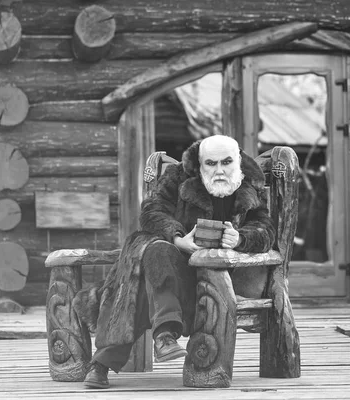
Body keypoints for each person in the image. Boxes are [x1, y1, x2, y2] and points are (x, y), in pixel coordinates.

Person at [74, 135, 276, 389]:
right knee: (157, 250)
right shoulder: (178, 177)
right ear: (199, 164)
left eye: (226, 162)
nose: (219, 170)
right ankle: (165, 335)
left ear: (237, 161)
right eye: (211, 163)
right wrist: (179, 238)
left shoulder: (250, 186)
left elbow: (265, 229)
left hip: (221, 280)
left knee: (138, 286)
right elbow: (151, 212)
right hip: (175, 266)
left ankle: (102, 364)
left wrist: (240, 238)